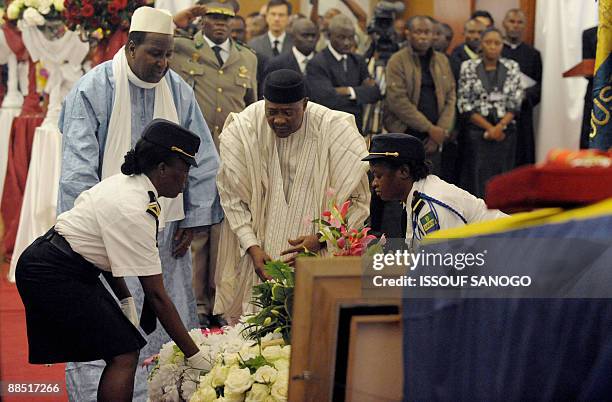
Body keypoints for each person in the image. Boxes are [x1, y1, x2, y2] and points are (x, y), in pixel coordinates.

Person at [57, 7, 223, 401]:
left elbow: (204, 159)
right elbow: (77, 170)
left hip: (165, 231)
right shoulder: (94, 88)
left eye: (168, 55)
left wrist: (194, 218)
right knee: (111, 330)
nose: (163, 64)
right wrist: (87, 234)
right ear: (131, 47)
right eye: (155, 54)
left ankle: (168, 394)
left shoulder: (178, 90)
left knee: (168, 323)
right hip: (106, 237)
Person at [16, 120, 210, 402]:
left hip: (64, 265)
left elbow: (107, 256)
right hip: (52, 272)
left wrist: (125, 302)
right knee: (124, 352)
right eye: (185, 168)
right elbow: (157, 296)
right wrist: (194, 355)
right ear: (162, 168)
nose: (187, 177)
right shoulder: (135, 206)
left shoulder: (132, 188)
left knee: (123, 344)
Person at [214, 69, 371, 321]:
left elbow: (358, 201)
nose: (279, 120)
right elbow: (232, 197)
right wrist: (252, 247)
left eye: (288, 113)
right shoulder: (245, 127)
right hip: (260, 259)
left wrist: (321, 238)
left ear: (305, 104)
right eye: (272, 112)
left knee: (315, 330)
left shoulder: (335, 128)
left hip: (319, 258)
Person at [172, 3, 257, 329]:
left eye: (225, 17)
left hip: (233, 157)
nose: (220, 24)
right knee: (196, 234)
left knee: (227, 234)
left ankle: (221, 302)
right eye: (214, 16)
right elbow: (139, 40)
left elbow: (253, 108)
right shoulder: (181, 48)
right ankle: (195, 305)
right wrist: (180, 20)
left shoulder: (247, 57)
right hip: (192, 158)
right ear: (202, 18)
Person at [364, 133, 506, 248]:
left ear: (403, 171)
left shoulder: (431, 205)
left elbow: (450, 269)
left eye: (378, 176)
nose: (373, 183)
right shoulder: (416, 196)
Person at [384, 15, 456, 175]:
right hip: (405, 135)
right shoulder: (397, 61)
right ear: (408, 33)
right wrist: (430, 128)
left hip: (435, 138)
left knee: (431, 188)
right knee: (404, 185)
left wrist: (440, 132)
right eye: (418, 32)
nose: (423, 37)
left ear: (433, 35)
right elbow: (397, 101)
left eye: (427, 32)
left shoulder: (442, 60)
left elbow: (451, 96)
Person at [457, 28, 523, 198]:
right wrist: (489, 128)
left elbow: (515, 102)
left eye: (497, 43)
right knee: (477, 179)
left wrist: (499, 127)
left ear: (502, 45)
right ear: (481, 44)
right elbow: (464, 102)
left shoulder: (512, 66)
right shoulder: (468, 67)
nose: (493, 47)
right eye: (488, 42)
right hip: (478, 132)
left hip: (505, 131)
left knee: (504, 178)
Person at [306, 14, 382, 133]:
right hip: (329, 128)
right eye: (341, 37)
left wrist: (347, 91)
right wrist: (359, 93)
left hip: (356, 128)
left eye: (351, 37)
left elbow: (375, 93)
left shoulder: (358, 60)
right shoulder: (317, 62)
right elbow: (326, 99)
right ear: (329, 36)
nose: (347, 43)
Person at [501, 8, 542, 166]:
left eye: (519, 22)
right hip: (498, 114)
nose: (515, 26)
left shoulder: (533, 54)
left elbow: (539, 86)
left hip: (522, 115)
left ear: (524, 26)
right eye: (512, 21)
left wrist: (524, 95)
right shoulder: (496, 50)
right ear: (504, 23)